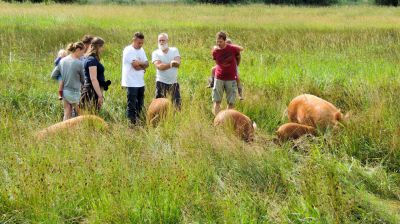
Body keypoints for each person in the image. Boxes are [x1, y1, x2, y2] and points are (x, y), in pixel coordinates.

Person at [51, 42, 85, 120]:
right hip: (75, 92)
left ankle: (64, 130)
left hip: (64, 92)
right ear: (78, 50)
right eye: (82, 52)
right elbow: (83, 80)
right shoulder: (79, 63)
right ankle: (82, 130)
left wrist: (62, 78)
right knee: (81, 114)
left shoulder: (62, 61)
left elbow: (53, 75)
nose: (83, 54)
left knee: (67, 113)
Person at [211, 31, 243, 115]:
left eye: (220, 41)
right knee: (217, 101)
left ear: (225, 41)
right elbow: (216, 62)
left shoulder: (232, 48)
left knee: (231, 103)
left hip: (231, 79)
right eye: (217, 41)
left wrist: (230, 46)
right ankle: (217, 121)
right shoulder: (215, 51)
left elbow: (241, 50)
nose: (218, 43)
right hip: (219, 78)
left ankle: (227, 121)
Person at [121, 32, 149, 124]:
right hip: (131, 82)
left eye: (142, 43)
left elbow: (147, 64)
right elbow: (135, 66)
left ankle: (139, 121)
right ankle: (131, 124)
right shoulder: (128, 50)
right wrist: (142, 66)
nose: (140, 45)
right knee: (132, 105)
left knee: (140, 104)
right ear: (133, 40)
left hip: (140, 82)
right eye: (139, 43)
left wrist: (140, 63)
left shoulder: (141, 50)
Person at [151, 33, 181, 109]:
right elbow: (159, 66)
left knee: (176, 105)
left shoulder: (174, 50)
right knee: (159, 106)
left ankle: (175, 119)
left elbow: (178, 63)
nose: (161, 42)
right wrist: (171, 64)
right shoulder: (155, 52)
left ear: (167, 40)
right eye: (159, 40)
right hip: (161, 82)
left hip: (174, 82)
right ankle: (160, 120)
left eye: (163, 40)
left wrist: (172, 64)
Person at [80, 37, 109, 113]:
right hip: (91, 90)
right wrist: (100, 95)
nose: (103, 49)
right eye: (102, 46)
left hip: (93, 89)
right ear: (98, 47)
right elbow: (93, 78)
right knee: (90, 114)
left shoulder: (91, 59)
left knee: (93, 113)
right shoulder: (91, 60)